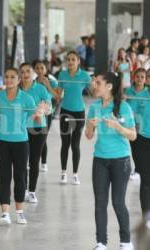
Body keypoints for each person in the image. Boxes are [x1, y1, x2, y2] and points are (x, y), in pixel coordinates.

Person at [85, 72, 136, 250]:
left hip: (120, 161)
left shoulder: (124, 107)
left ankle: (126, 241)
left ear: (109, 86)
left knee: (118, 202)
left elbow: (133, 135)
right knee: (100, 203)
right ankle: (101, 242)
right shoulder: (94, 107)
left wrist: (117, 126)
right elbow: (89, 136)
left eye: (98, 82)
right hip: (100, 160)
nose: (94, 85)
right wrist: (90, 125)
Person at [0, 68, 41, 224]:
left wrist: (40, 114)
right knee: (4, 178)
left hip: (21, 143)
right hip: (1, 142)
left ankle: (19, 212)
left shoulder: (26, 98)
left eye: (13, 77)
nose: (9, 79)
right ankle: (5, 213)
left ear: (19, 80)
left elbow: (36, 120)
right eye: (7, 76)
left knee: (20, 178)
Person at [57, 51, 92, 185]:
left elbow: (93, 92)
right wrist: (48, 85)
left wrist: (95, 84)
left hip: (79, 113)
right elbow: (58, 96)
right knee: (65, 143)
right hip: (65, 112)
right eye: (68, 60)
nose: (70, 62)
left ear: (78, 61)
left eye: (73, 59)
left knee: (75, 144)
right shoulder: (62, 75)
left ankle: (75, 174)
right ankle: (63, 172)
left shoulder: (84, 76)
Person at [19, 63, 51, 203]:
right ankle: (23, 189)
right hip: (19, 129)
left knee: (34, 160)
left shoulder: (41, 89)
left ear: (33, 74)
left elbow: (49, 107)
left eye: (28, 71)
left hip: (39, 128)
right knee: (21, 161)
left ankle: (31, 191)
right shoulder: (15, 89)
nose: (25, 74)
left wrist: (42, 110)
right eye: (23, 71)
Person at [33, 60, 59, 172]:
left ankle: (43, 162)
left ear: (46, 69)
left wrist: (48, 85)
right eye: (37, 68)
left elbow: (58, 96)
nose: (39, 70)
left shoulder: (51, 81)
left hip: (47, 113)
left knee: (43, 137)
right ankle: (32, 160)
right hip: (33, 114)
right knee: (32, 137)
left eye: (41, 68)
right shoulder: (32, 82)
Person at [125, 68, 148, 180]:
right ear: (134, 78)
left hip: (145, 126)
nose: (139, 79)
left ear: (145, 79)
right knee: (134, 149)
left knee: (141, 150)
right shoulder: (128, 91)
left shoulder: (148, 92)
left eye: (142, 77)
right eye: (137, 76)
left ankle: (139, 169)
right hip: (131, 125)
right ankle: (138, 169)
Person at [135, 79, 150, 214]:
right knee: (145, 179)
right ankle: (146, 215)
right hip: (143, 141)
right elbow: (131, 112)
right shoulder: (140, 95)